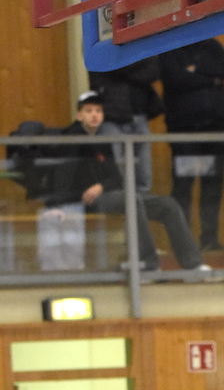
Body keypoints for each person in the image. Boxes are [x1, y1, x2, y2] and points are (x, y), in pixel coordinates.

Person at [46, 91, 210, 274]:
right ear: (79, 115)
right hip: (82, 201)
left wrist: (100, 186)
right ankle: (146, 263)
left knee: (167, 205)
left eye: (98, 111)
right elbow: (61, 178)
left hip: (107, 195)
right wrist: (59, 203)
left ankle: (193, 264)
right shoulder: (70, 140)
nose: (94, 115)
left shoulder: (102, 140)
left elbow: (116, 178)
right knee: (130, 199)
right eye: (89, 110)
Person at [159, 39, 224, 252]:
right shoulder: (170, 48)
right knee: (183, 187)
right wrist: (211, 78)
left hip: (214, 131)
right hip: (185, 134)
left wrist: (195, 71)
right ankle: (183, 243)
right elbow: (176, 78)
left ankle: (209, 239)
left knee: (212, 187)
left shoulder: (211, 46)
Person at [88, 59, 164, 195]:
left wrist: (122, 68)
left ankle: (141, 213)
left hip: (140, 114)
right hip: (111, 116)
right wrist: (135, 65)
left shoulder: (141, 43)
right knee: (115, 175)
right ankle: (119, 213)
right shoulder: (101, 41)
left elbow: (154, 70)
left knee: (143, 175)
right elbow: (108, 65)